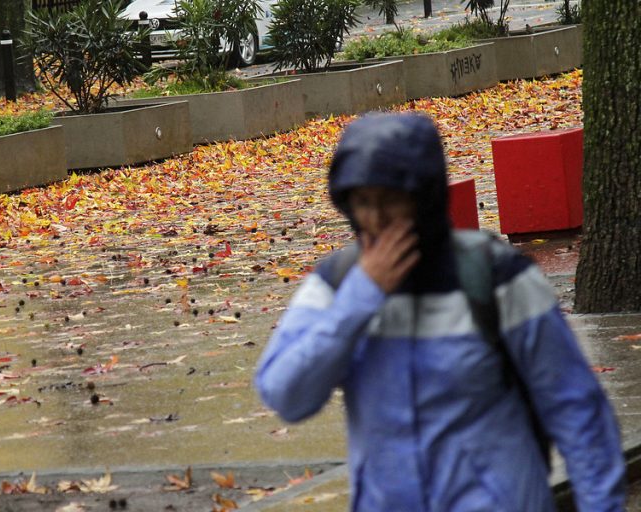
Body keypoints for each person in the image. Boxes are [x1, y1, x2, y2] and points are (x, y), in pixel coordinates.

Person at [254, 113, 626, 511]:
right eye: (363, 203)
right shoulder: (339, 284)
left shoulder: (497, 278)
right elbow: (285, 393)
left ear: (425, 198)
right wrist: (359, 300)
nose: (376, 221)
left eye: (391, 201)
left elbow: (576, 412)